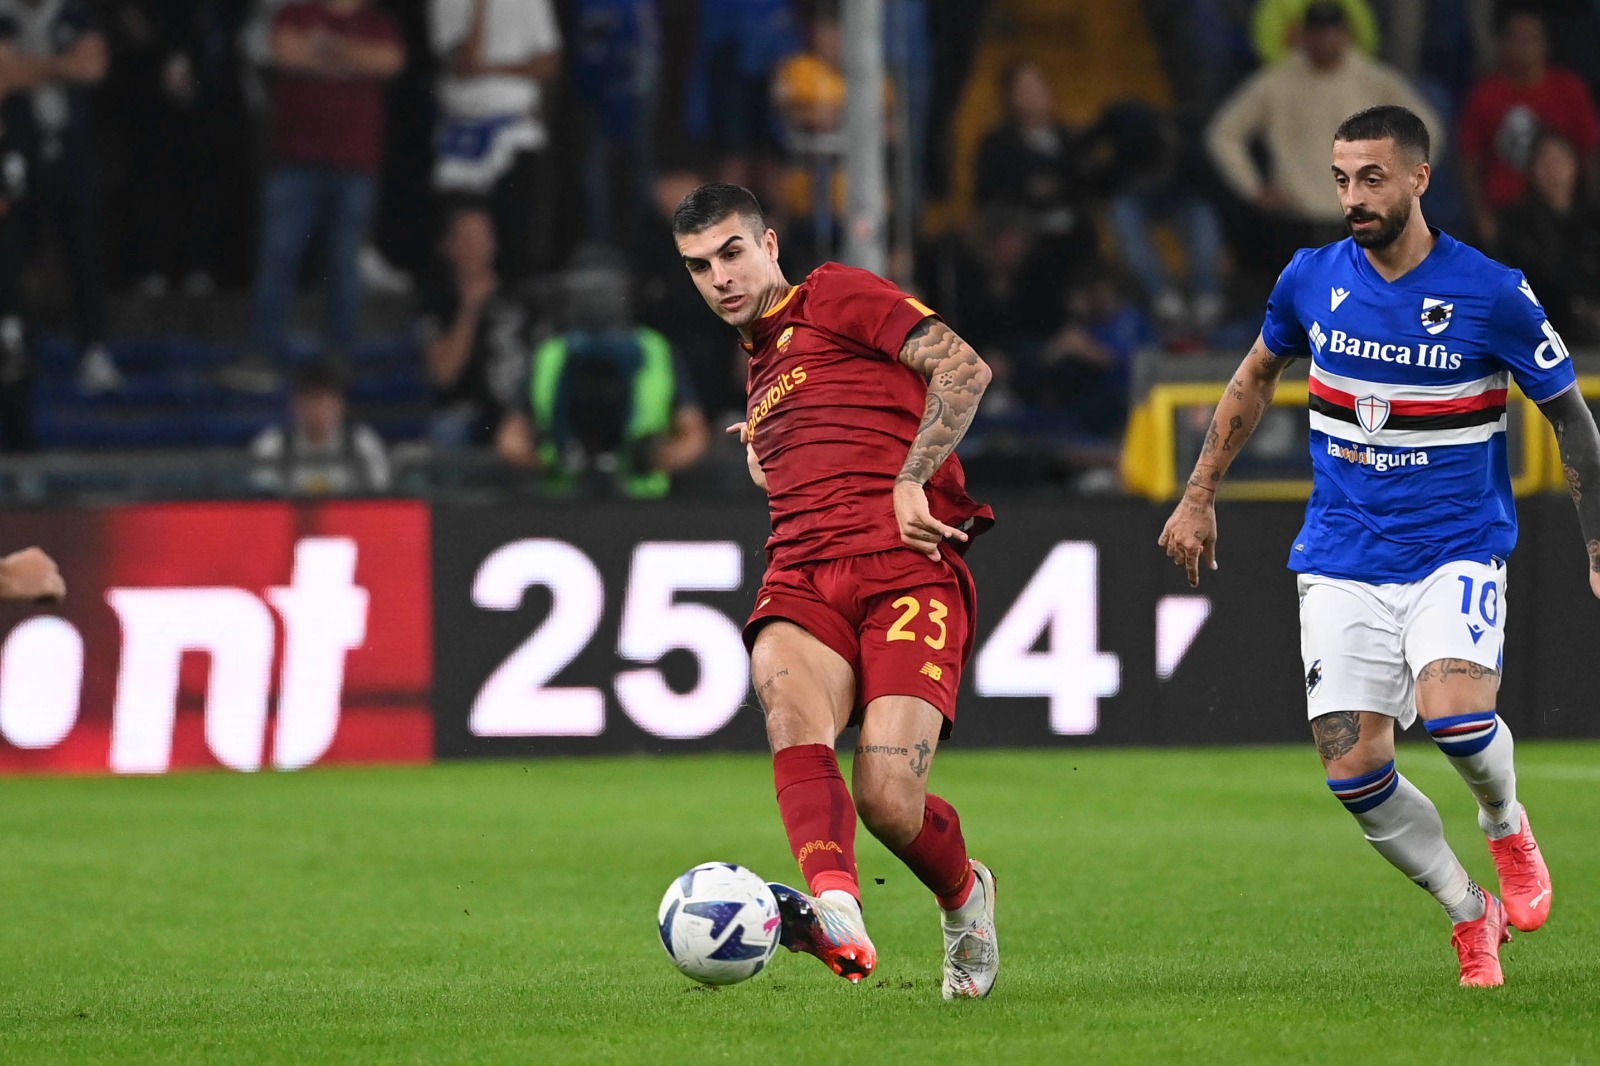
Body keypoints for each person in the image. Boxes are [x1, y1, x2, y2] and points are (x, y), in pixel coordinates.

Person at [1159, 105, 1600, 988]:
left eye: (1370, 178)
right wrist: (1199, 492)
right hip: (1340, 556)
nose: (1352, 197)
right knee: (1353, 770)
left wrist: (1598, 542)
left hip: (1455, 549)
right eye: (1340, 179)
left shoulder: (1492, 291)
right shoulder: (1310, 279)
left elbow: (1572, 419)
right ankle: (1469, 913)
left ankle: (1507, 825)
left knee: (1458, 722)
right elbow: (1253, 376)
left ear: (1417, 179)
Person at [672, 182, 1000, 998]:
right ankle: (837, 908)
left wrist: (913, 477)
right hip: (803, 574)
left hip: (903, 569)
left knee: (889, 800)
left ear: (770, 245)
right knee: (788, 712)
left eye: (732, 253)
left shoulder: (837, 293)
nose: (720, 276)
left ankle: (965, 898)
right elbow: (829, 436)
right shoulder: (758, 369)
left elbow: (963, 367)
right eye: (699, 266)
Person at [233, 0, 403, 392]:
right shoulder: (295, 13)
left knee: (344, 264)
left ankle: (339, 358)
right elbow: (286, 52)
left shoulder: (377, 22)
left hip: (355, 164)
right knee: (278, 257)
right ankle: (263, 354)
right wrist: (351, 59)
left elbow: (389, 61)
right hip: (295, 161)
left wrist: (322, 50)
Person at [1206, 2, 1442, 271]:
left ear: (1346, 33)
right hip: (1295, 219)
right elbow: (1224, 133)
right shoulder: (1277, 81)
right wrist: (1254, 188)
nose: (1325, 41)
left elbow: (1427, 128)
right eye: (1317, 33)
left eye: (1332, 32)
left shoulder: (1373, 79)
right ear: (1303, 35)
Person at [496, 246, 709, 497]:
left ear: (624, 292)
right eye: (587, 290)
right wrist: (549, 456)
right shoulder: (551, 354)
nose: (596, 299)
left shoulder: (656, 350)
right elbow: (510, 437)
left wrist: (654, 458)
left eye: (604, 290)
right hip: (564, 502)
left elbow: (694, 434)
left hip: (642, 502)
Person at [0, 0, 118, 393]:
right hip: (16, 155)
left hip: (70, 153)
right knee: (11, 257)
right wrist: (61, 65)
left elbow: (93, 67)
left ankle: (93, 350)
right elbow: (2, 77)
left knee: (83, 253)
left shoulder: (74, 12)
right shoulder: (5, 16)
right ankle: (14, 351)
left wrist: (28, 68)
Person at [430, 0, 562, 283]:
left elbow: (549, 62)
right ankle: (467, 309)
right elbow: (464, 63)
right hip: (464, 142)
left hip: (516, 133)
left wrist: (490, 68)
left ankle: (511, 310)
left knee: (517, 234)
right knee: (466, 238)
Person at [1457, 9, 1600, 249]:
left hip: (1564, 212)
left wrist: (1591, 203)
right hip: (1506, 213)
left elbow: (1590, 149)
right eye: (1516, 38)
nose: (1524, 47)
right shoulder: (1485, 95)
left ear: (1547, 44)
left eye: (1532, 39)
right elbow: (1467, 162)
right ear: (1501, 43)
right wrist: (1482, 216)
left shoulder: (1569, 88)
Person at [416, 203, 528, 448]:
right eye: (466, 238)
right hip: (467, 413)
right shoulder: (438, 305)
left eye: (481, 237)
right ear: (448, 246)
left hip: (517, 410)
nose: (476, 247)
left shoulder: (518, 300)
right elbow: (443, 374)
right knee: (447, 430)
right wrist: (470, 310)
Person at [1495, 131, 1600, 345]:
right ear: (1532, 170)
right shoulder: (1515, 223)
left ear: (1576, 164)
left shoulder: (1593, 217)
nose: (1554, 170)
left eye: (1560, 160)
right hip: (1543, 332)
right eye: (1544, 161)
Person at [249, 359, 391, 496]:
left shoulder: (363, 443)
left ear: (340, 405)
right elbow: (263, 506)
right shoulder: (272, 446)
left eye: (325, 400)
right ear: (295, 405)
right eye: (311, 399)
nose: (318, 409)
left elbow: (380, 501)